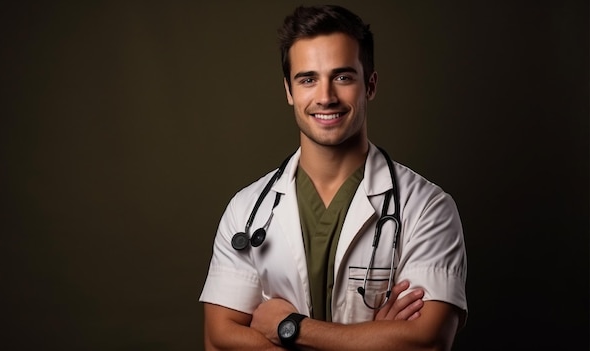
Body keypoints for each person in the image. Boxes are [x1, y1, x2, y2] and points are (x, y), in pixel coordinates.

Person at [199, 4, 467, 350]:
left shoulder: (427, 208)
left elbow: (427, 343)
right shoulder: (246, 210)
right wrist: (372, 340)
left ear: (370, 85)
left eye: (342, 77)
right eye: (307, 79)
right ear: (289, 91)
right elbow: (218, 342)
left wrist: (291, 328)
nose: (325, 97)